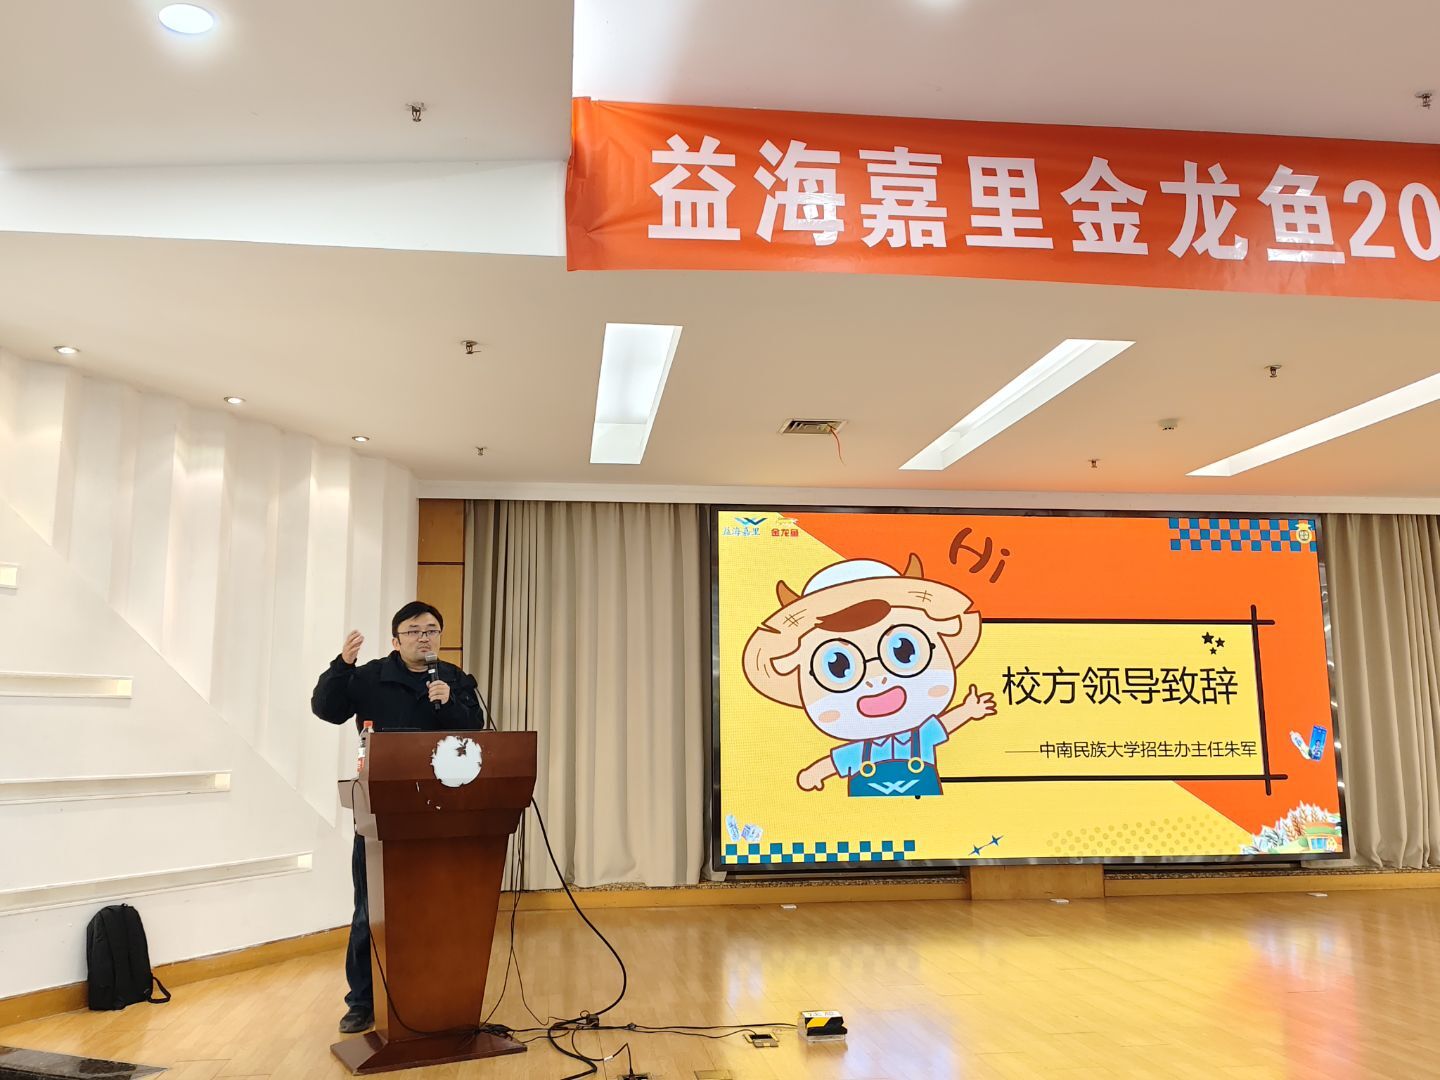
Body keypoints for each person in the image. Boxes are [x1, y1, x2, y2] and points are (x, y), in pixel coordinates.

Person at [311, 600, 485, 1035]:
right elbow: (327, 709)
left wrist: (452, 704)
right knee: (371, 910)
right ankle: (362, 1001)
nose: (424, 637)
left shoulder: (454, 679)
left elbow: (475, 730)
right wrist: (342, 665)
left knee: (439, 906)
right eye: (414, 630)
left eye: (432, 630)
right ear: (396, 640)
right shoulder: (370, 676)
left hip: (442, 810)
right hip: (382, 810)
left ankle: (434, 992)